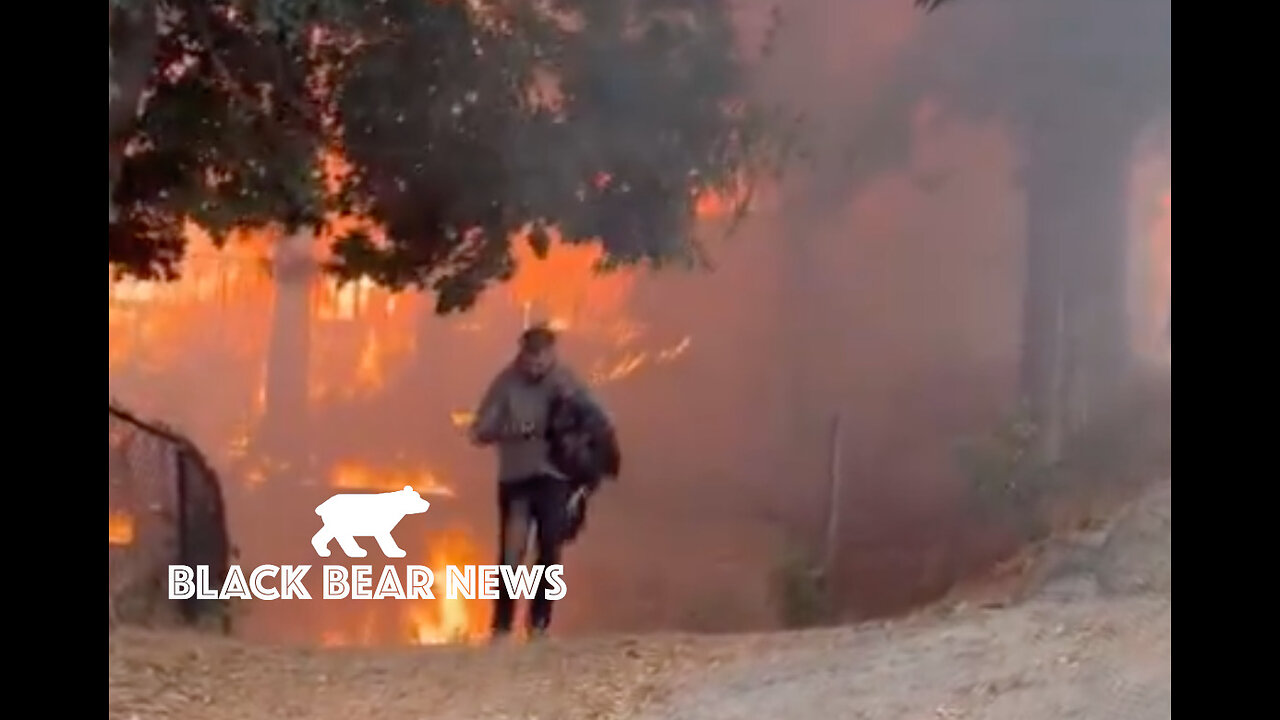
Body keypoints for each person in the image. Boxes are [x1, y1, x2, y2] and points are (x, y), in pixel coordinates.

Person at [468, 325, 616, 639]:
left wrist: (575, 426)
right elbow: (479, 431)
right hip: (517, 477)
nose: (535, 366)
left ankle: (539, 624)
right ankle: (502, 625)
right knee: (512, 553)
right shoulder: (506, 383)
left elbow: (601, 420)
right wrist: (512, 429)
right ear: (521, 354)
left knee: (549, 549)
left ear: (552, 355)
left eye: (542, 360)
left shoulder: (566, 380)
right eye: (530, 359)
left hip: (555, 477)